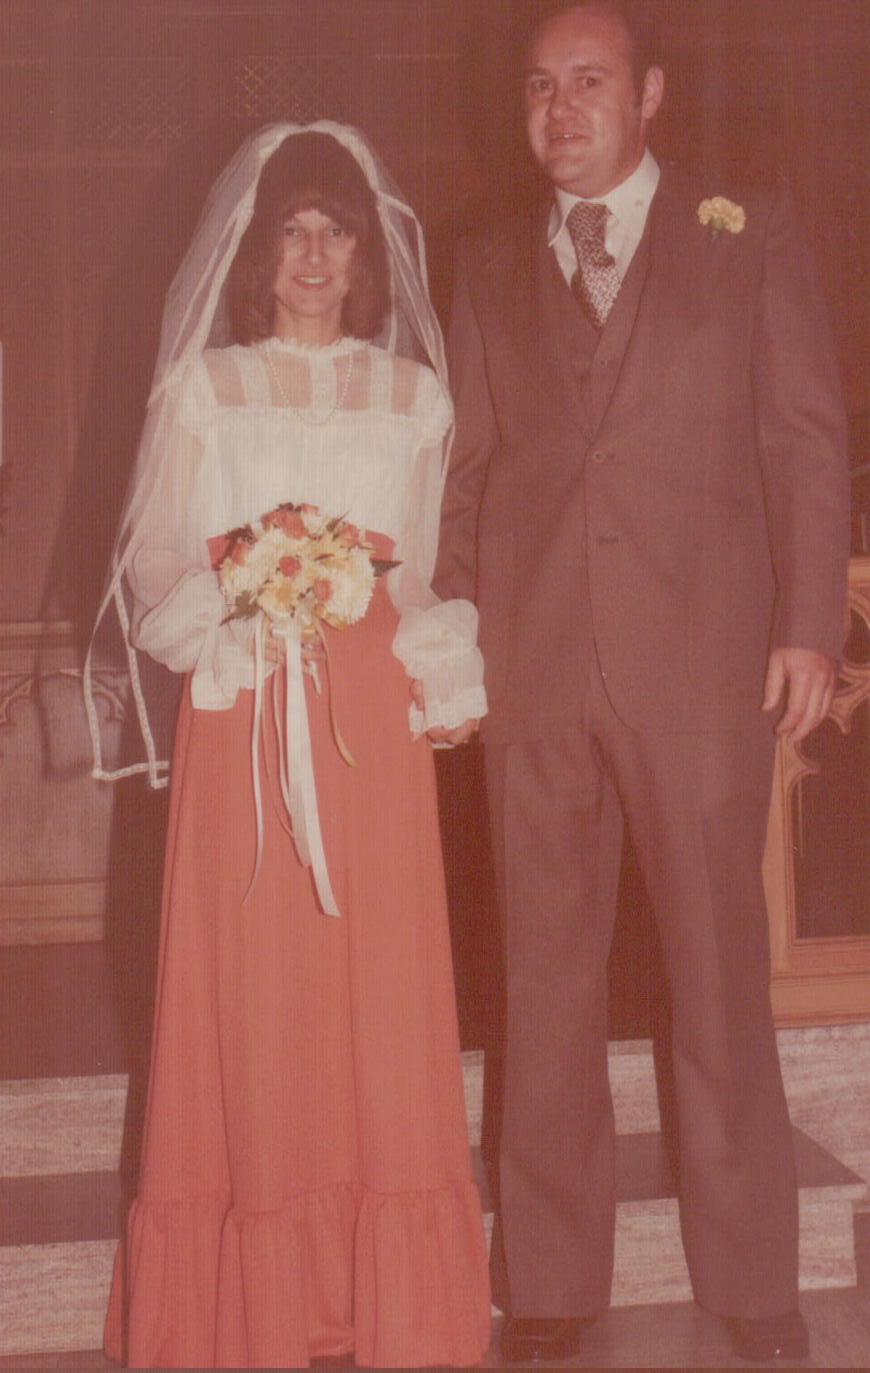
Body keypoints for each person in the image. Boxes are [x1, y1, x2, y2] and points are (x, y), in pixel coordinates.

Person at [435, 1, 850, 1364]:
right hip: (533, 673)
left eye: (589, 81)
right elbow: (465, 475)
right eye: (538, 87)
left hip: (704, 667)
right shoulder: (486, 265)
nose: (559, 109)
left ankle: (751, 1277)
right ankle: (552, 1277)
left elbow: (803, 438)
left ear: (650, 93)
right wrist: (450, 645)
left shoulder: (747, 232)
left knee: (717, 979)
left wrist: (809, 623)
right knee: (542, 982)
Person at [84, 122, 491, 1369]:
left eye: (338, 232)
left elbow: (416, 567)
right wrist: (230, 616)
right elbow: (158, 553)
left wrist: (446, 664)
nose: (315, 255)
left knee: (377, 990)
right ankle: (256, 1300)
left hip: (368, 721)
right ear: (256, 253)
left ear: (368, 253)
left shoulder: (412, 397)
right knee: (257, 986)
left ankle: (382, 1302)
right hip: (244, 697)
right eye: (294, 232)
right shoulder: (206, 388)